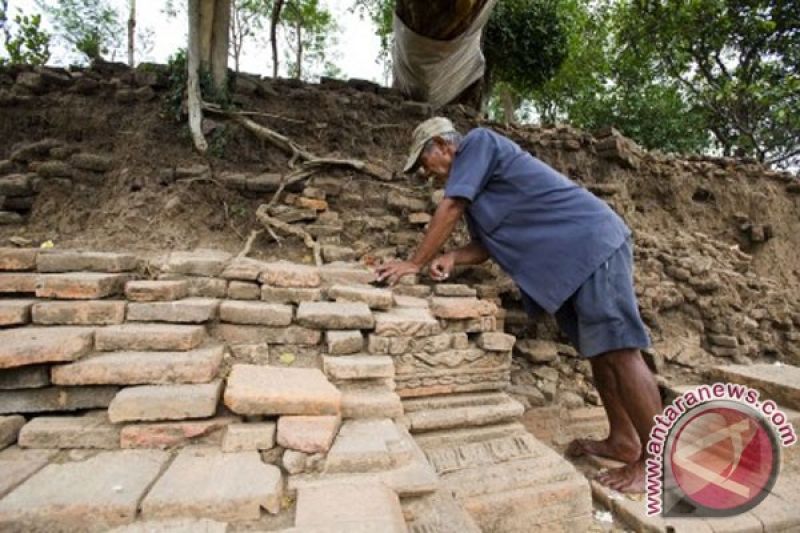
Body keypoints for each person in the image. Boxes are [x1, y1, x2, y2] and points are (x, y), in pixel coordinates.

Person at [375, 117, 662, 493]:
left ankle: (660, 461)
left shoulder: (478, 144)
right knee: (601, 353)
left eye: (424, 164)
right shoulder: (478, 194)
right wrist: (452, 258)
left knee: (621, 351)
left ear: (444, 146)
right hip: (572, 264)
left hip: (592, 244)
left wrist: (414, 262)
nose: (427, 175)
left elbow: (450, 207)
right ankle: (624, 439)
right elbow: (484, 247)